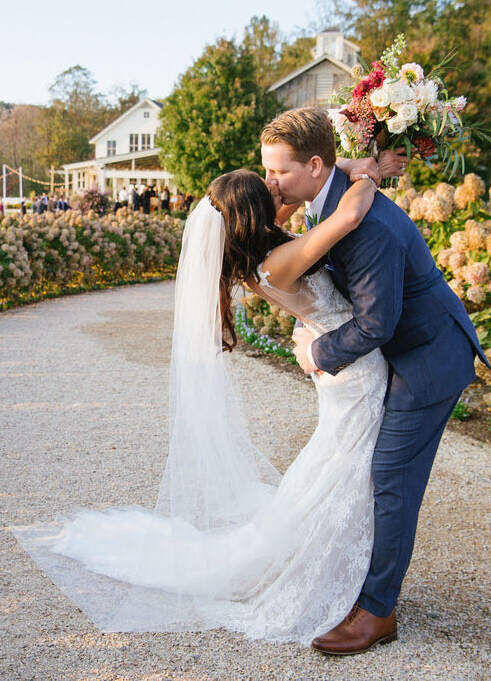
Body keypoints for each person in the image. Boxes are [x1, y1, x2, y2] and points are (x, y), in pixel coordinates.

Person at [11, 162, 390, 645]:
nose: (277, 185)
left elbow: (293, 206)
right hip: (353, 376)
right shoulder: (280, 261)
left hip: (341, 371)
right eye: (268, 186)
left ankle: (348, 568)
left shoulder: (265, 258)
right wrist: (365, 173)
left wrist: (325, 172)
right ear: (257, 216)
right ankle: (341, 576)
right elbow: (350, 215)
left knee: (337, 468)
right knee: (343, 468)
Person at [260, 107, 488, 655]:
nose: (271, 182)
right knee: (375, 470)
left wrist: (317, 351)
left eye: (279, 172)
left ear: (316, 166)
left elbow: (376, 323)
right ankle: (360, 583)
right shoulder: (332, 193)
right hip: (402, 351)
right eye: (265, 172)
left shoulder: (365, 229)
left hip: (428, 357)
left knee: (390, 477)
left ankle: (376, 612)